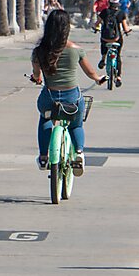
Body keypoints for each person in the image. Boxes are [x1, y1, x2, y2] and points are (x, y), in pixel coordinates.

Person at [31, 9, 107, 173]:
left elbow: (37, 75)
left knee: (45, 120)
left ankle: (44, 156)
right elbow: (91, 73)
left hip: (49, 99)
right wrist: (98, 79)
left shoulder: (38, 51)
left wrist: (36, 79)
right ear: (67, 28)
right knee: (75, 125)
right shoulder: (76, 50)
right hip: (72, 98)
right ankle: (79, 152)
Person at [95, 0, 131, 86]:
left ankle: (103, 59)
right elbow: (125, 27)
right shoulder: (121, 13)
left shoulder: (104, 12)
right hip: (116, 39)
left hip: (105, 38)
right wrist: (127, 31)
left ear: (109, 3)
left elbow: (97, 23)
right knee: (118, 55)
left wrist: (96, 28)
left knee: (103, 43)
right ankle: (118, 77)